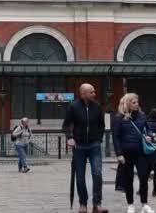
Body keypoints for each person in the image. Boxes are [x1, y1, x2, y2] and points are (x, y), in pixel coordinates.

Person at [62, 83, 108, 213]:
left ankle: (97, 204)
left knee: (97, 174)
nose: (94, 94)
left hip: (94, 145)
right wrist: (69, 137)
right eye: (91, 92)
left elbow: (101, 125)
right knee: (80, 176)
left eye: (94, 92)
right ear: (83, 94)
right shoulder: (73, 106)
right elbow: (66, 125)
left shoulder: (97, 106)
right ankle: (83, 204)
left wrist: (99, 139)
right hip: (79, 146)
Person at [113, 93, 155, 213]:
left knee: (143, 177)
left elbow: (149, 130)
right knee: (128, 179)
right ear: (127, 104)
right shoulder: (119, 117)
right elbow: (116, 137)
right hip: (126, 153)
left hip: (141, 152)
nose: (137, 104)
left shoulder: (142, 115)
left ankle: (144, 204)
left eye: (137, 102)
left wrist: (150, 136)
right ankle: (130, 204)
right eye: (134, 102)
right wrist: (119, 154)